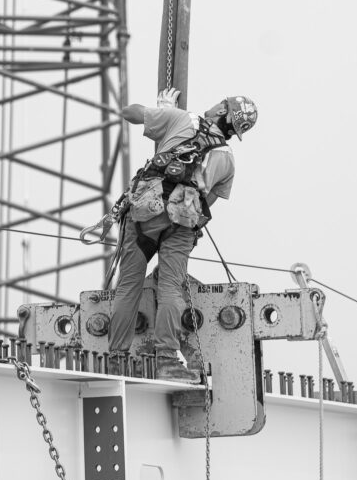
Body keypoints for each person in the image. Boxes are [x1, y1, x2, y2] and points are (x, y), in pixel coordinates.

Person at [107, 87, 258, 383]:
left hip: (144, 212)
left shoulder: (184, 119)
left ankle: (116, 359)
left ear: (221, 110)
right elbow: (208, 201)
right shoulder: (227, 159)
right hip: (182, 221)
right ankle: (166, 360)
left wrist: (160, 110)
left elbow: (130, 113)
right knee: (171, 288)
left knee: (128, 286)